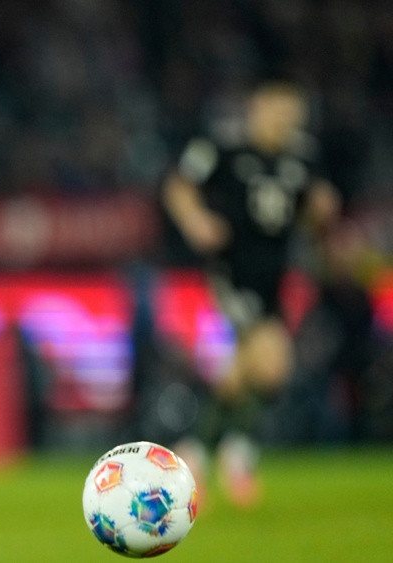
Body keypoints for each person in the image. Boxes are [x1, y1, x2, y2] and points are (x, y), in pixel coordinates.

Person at [162, 81, 339, 507]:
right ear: (256, 108)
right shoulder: (223, 148)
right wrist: (195, 220)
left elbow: (308, 213)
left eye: (291, 112)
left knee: (238, 376)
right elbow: (179, 186)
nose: (284, 120)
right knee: (273, 363)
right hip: (233, 271)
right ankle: (236, 452)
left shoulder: (301, 158)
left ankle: (195, 453)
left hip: (275, 277)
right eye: (277, 110)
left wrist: (321, 212)